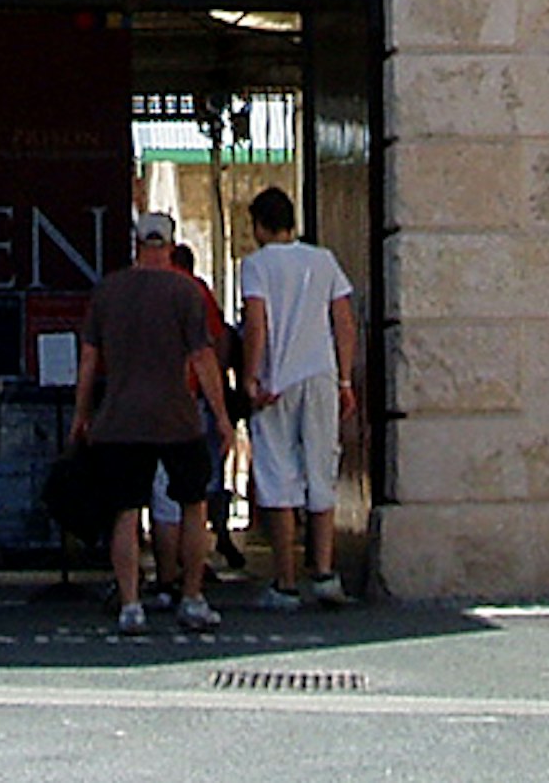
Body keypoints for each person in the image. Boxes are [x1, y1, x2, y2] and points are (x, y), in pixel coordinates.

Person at [74, 208, 230, 633]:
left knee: (125, 512)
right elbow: (202, 357)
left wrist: (81, 413)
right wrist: (221, 416)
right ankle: (192, 597)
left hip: (121, 418)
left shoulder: (109, 291)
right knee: (192, 504)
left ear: (138, 244)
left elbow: (89, 358)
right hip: (177, 417)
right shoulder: (185, 292)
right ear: (172, 245)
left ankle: (130, 604)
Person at [236, 185, 358, 608]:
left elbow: (256, 323)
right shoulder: (323, 261)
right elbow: (343, 320)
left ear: (260, 225)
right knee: (321, 469)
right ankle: (325, 572)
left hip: (276, 380)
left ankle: (285, 581)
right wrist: (345, 380)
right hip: (320, 376)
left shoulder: (255, 266)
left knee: (277, 477)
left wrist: (251, 377)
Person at [169, 238, 246, 573]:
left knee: (161, 492)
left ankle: (170, 567)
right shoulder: (197, 291)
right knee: (202, 481)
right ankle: (201, 558)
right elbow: (216, 344)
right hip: (196, 396)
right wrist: (223, 406)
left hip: (158, 399)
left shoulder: (144, 288)